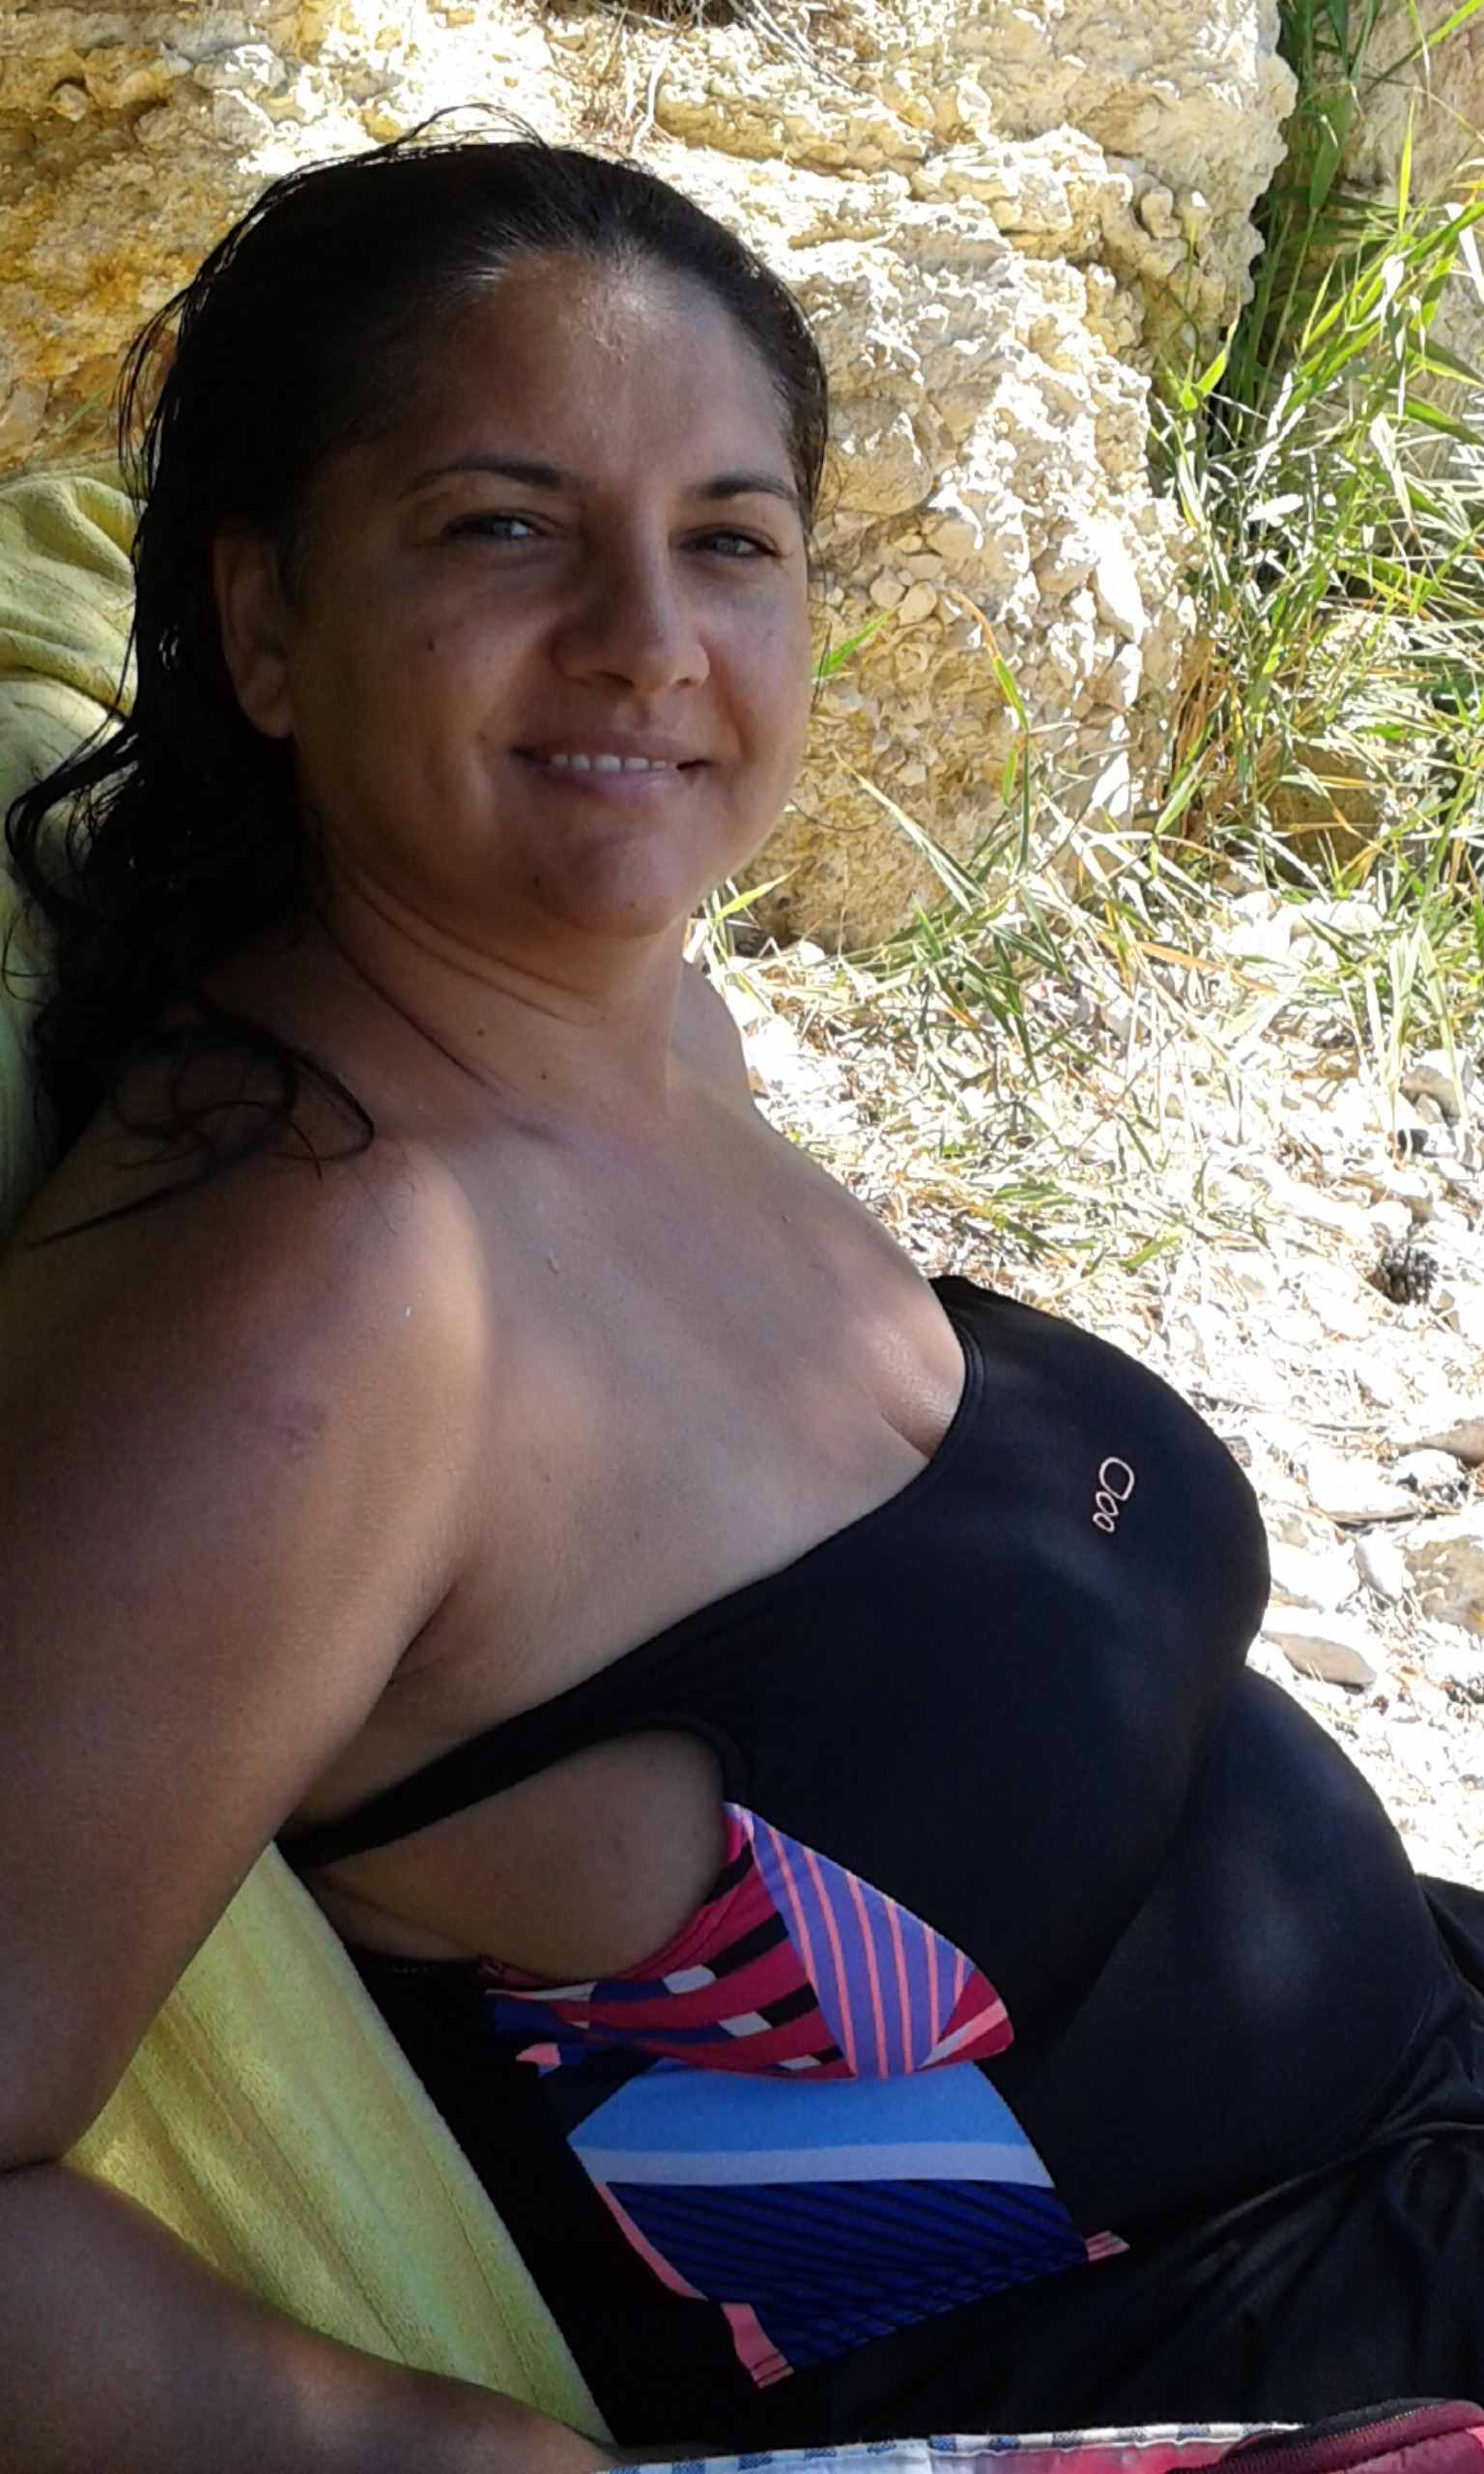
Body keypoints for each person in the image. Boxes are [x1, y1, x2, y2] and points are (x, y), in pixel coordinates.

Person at [4, 131, 1484, 2474]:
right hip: (1222, 2380)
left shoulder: (646, 1033)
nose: (646, 637)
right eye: (505, 527)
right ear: (266, 622)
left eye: (728, 537)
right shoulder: (312, 1293)